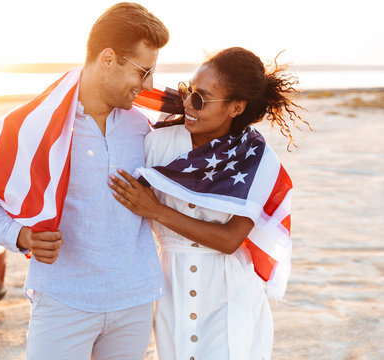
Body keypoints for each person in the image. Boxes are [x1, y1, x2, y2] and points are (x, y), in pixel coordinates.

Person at [0, 3, 169, 360]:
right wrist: (23, 236)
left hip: (135, 300)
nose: (149, 85)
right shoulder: (34, 126)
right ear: (108, 59)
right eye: (144, 71)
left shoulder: (143, 128)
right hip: (64, 301)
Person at [109, 47, 309, 359]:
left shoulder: (257, 159)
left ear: (236, 107)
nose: (187, 104)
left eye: (200, 99)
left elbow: (230, 240)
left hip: (229, 295)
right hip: (171, 289)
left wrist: (156, 210)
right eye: (187, 92)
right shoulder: (157, 143)